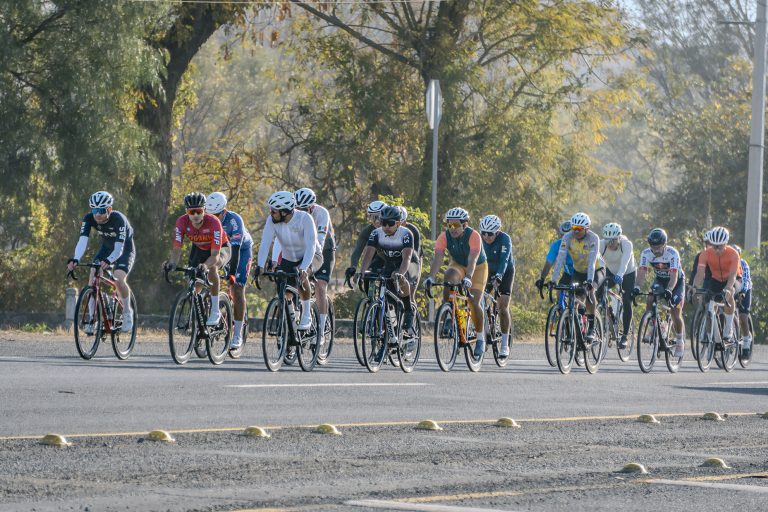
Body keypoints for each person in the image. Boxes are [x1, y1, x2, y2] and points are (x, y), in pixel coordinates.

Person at [66, 191, 136, 333]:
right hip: (106, 247)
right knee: (93, 276)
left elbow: (119, 249)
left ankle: (128, 312)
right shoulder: (89, 218)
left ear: (109, 209)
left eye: (101, 211)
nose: (97, 214)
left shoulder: (119, 219)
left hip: (124, 249)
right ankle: (93, 319)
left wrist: (109, 260)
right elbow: (82, 241)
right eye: (94, 210)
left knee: (118, 279)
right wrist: (76, 259)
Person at [424, 207, 488, 359]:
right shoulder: (444, 236)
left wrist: (468, 277)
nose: (452, 229)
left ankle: (480, 339)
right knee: (449, 277)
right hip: (458, 264)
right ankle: (449, 315)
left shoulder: (474, 236)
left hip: (477, 267)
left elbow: (472, 259)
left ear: (465, 225)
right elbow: (438, 259)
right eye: (449, 225)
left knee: (474, 302)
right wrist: (431, 277)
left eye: (456, 225)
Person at [253, 191, 321, 331]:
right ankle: (289, 325)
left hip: (312, 255)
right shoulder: (272, 221)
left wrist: (304, 268)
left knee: (302, 277)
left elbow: (311, 246)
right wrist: (260, 266)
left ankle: (307, 313)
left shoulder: (305, 218)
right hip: (289, 258)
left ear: (284, 212)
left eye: (274, 210)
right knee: (284, 292)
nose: (270, 213)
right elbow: (265, 243)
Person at [163, 192, 231, 326]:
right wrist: (172, 264)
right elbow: (177, 249)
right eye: (191, 211)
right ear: (186, 212)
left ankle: (215, 310)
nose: (195, 215)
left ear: (204, 210)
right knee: (195, 284)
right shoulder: (181, 222)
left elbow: (215, 255)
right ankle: (199, 317)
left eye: (199, 211)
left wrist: (205, 266)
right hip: (199, 249)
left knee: (212, 269)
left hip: (220, 249)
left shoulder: (213, 222)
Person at [356, 205, 418, 342]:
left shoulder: (406, 234)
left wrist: (400, 274)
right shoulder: (376, 233)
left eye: (390, 223)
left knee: (399, 279)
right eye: (383, 223)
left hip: (408, 263)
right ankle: (389, 336)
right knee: (388, 300)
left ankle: (408, 309)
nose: (386, 227)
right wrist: (361, 272)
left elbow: (407, 258)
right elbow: (368, 254)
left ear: (399, 223)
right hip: (389, 263)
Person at [205, 192, 252, 349]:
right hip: (222, 250)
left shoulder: (234, 220)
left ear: (223, 211)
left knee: (237, 288)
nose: (213, 218)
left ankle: (237, 334)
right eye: (209, 214)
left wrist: (231, 273)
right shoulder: (207, 219)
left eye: (216, 215)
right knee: (209, 275)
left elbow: (236, 250)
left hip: (241, 251)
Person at [551, 212, 605, 341]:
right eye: (574, 228)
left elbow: (592, 262)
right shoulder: (567, 237)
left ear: (587, 229)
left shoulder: (593, 238)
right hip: (578, 271)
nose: (576, 231)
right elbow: (560, 260)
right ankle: (576, 327)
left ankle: (591, 327)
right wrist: (553, 280)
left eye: (579, 229)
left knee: (590, 292)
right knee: (574, 299)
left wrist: (590, 281)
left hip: (596, 270)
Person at [633, 228, 685, 357]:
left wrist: (669, 290)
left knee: (675, 311)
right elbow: (641, 273)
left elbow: (674, 275)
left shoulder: (672, 253)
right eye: (653, 247)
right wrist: (637, 287)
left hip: (676, 282)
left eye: (659, 247)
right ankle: (653, 325)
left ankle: (679, 340)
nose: (656, 250)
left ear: (665, 244)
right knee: (651, 297)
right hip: (660, 279)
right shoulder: (646, 253)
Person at [293, 188, 335, 342]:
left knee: (320, 286)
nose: (300, 211)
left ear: (311, 207)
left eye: (304, 209)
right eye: (297, 208)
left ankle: (322, 330)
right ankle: (302, 314)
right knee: (296, 279)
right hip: (304, 246)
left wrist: (310, 265)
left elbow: (321, 242)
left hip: (324, 249)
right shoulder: (293, 214)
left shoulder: (321, 213)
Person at [692, 226, 741, 341]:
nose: (717, 250)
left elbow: (733, 275)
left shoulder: (733, 254)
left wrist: (728, 288)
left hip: (733, 279)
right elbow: (699, 274)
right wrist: (694, 287)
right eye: (714, 246)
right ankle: (711, 335)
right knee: (709, 303)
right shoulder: (705, 254)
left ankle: (728, 327)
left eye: (720, 247)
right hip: (716, 279)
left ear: (726, 243)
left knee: (730, 293)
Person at [479, 214, 515, 358]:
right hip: (486, 269)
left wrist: (499, 275)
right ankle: (484, 331)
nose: (486, 237)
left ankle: (505, 344)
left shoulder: (505, 239)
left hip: (504, 271)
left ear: (498, 232)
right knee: (478, 299)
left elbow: (504, 260)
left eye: (490, 234)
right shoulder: (479, 239)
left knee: (502, 307)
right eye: (483, 233)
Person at [599, 222, 636, 349]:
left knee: (627, 300)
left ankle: (625, 336)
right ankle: (607, 313)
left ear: (619, 238)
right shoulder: (601, 244)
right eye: (607, 240)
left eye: (613, 240)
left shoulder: (626, 244)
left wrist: (620, 274)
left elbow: (625, 262)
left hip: (627, 273)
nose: (610, 244)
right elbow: (595, 261)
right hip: (610, 270)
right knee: (597, 291)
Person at [346, 200, 387, 288]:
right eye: (373, 217)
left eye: (379, 217)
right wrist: (353, 267)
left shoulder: (391, 228)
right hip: (377, 257)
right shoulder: (367, 231)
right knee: (367, 276)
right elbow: (357, 252)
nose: (376, 221)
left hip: (392, 258)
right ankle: (371, 300)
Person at [535, 220, 575, 309]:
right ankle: (563, 318)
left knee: (578, 299)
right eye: (563, 236)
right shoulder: (557, 245)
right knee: (559, 293)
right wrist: (542, 279)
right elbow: (548, 264)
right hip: (568, 273)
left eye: (568, 235)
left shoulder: (579, 244)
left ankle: (581, 317)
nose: (566, 238)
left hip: (580, 272)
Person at [397, 205, 423, 299]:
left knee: (410, 294)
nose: (398, 226)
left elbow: (413, 256)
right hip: (397, 259)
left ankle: (412, 312)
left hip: (414, 259)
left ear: (405, 221)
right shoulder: (389, 229)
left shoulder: (412, 231)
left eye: (401, 223)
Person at [732, 244, 753, 358]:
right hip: (732, 288)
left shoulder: (743, 264)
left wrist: (743, 292)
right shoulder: (727, 263)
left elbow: (745, 281)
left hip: (745, 289)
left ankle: (746, 342)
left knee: (743, 317)